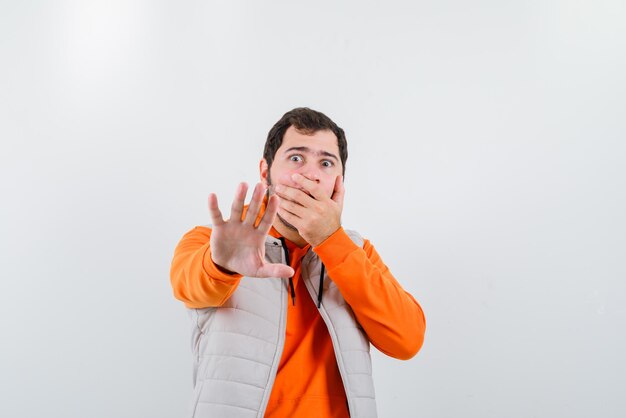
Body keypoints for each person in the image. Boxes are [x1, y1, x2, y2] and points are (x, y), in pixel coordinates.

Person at [170, 107, 426, 418]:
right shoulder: (215, 241)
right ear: (265, 172)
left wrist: (332, 241)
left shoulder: (357, 251)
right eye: (296, 158)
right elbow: (187, 285)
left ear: (338, 182)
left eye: (326, 162)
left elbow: (407, 341)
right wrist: (222, 265)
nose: (310, 173)